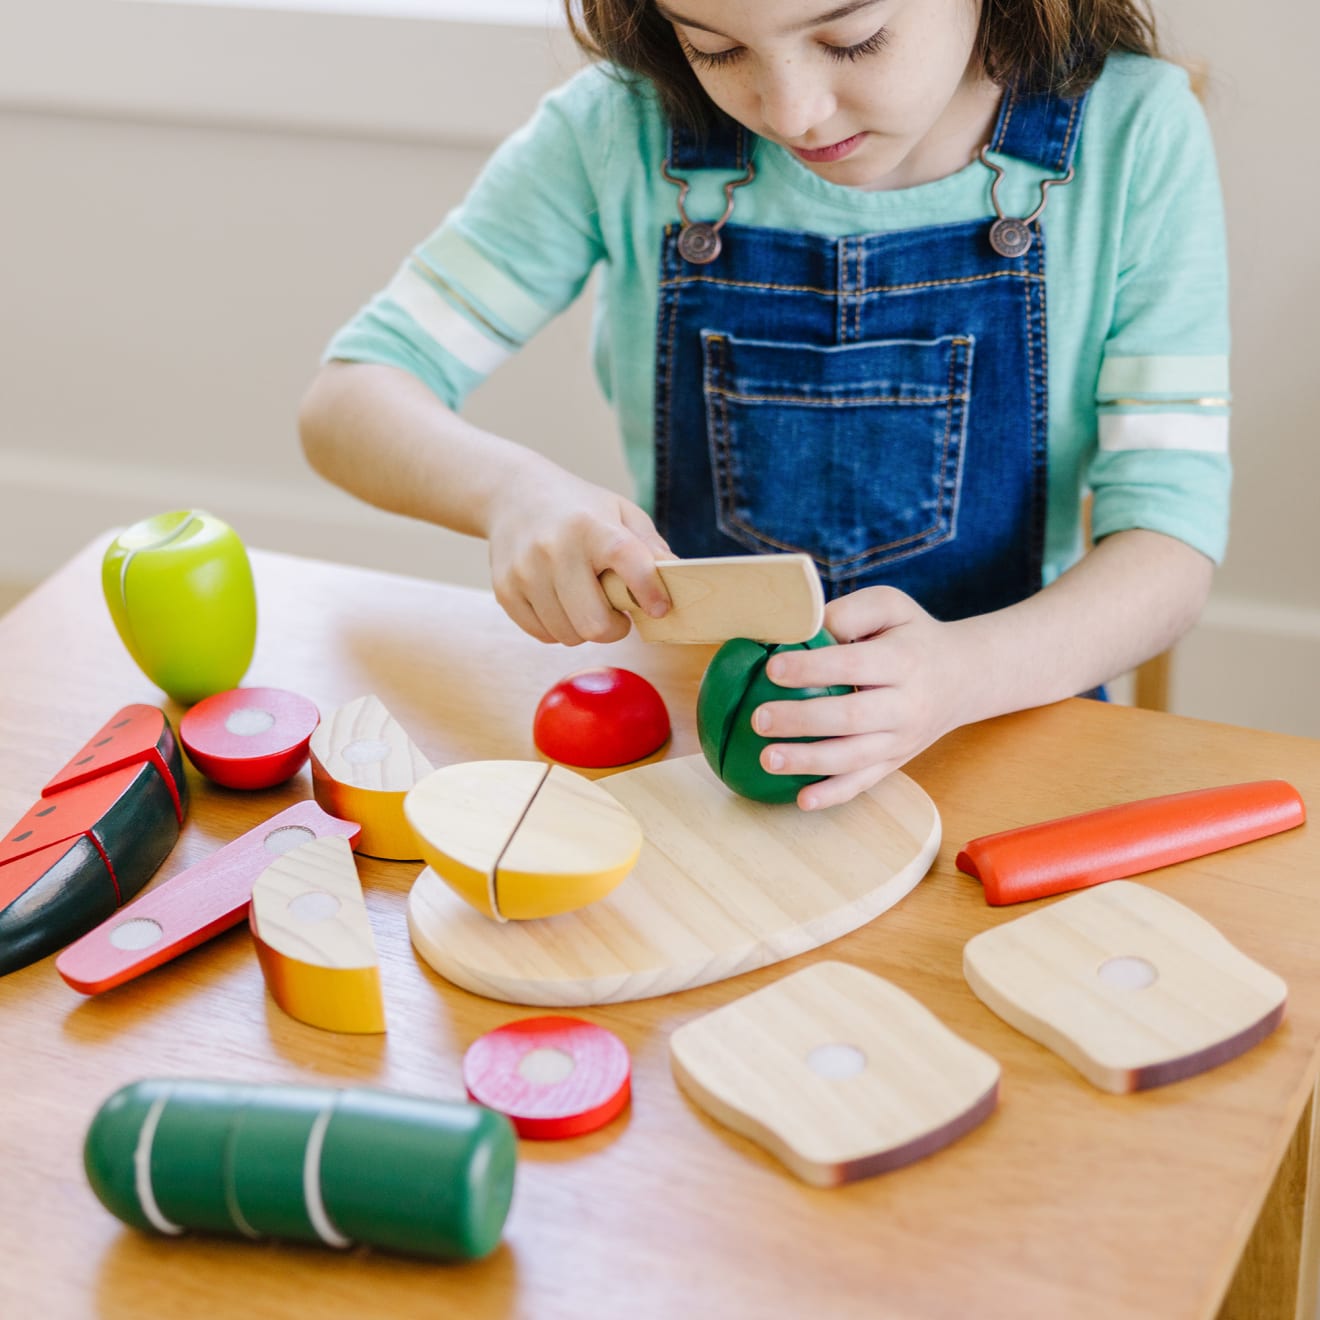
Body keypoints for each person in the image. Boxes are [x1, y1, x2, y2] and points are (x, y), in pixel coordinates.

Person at [298, 0, 1230, 811]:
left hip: (1007, 725)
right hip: (705, 746)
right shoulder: (620, 129)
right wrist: (510, 493)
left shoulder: (1130, 134)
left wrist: (961, 675)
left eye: (855, 39)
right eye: (714, 48)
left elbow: (1169, 546)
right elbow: (351, 396)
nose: (791, 110)